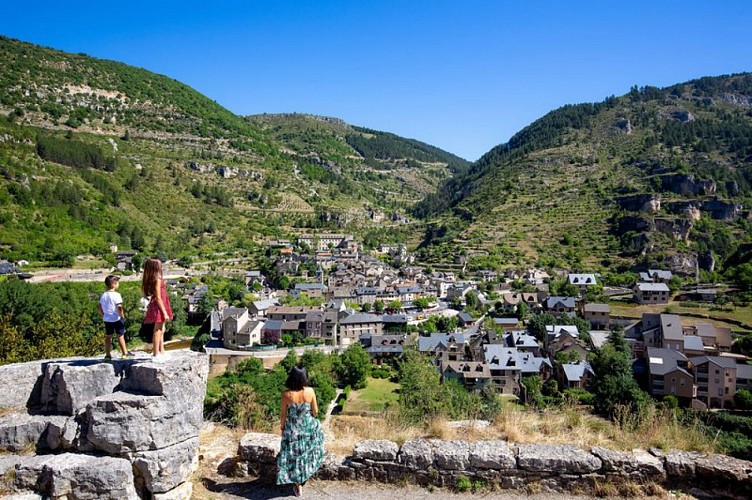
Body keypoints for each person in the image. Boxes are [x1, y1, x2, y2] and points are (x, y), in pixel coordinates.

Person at [277, 366, 325, 497]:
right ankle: (306, 473)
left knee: (293, 457)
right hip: (307, 428)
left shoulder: (286, 395)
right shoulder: (310, 391)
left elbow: (283, 416)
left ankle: (298, 487)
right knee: (309, 451)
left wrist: (282, 428)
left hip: (292, 430)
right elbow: (316, 411)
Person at [141, 257, 173, 360]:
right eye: (160, 265)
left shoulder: (156, 277)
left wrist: (181, 276)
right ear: (155, 267)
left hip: (161, 304)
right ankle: (155, 354)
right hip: (159, 305)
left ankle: (162, 351)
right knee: (158, 329)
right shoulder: (157, 280)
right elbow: (158, 298)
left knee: (162, 329)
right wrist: (165, 313)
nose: (162, 267)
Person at [98, 274, 132, 360]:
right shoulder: (117, 295)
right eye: (117, 283)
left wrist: (103, 314)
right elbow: (119, 307)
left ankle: (108, 355)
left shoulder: (103, 295)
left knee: (108, 337)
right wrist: (122, 316)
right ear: (113, 284)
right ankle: (124, 353)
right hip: (116, 318)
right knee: (120, 336)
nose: (118, 284)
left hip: (107, 319)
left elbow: (99, 307)